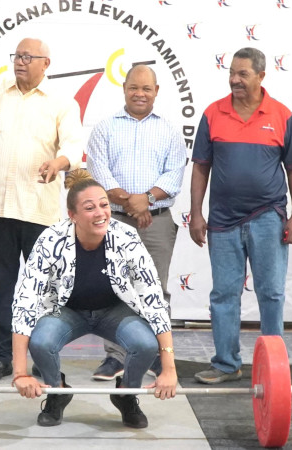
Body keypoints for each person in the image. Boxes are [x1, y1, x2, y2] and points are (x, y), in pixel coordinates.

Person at [11, 169, 177, 428]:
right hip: (67, 311)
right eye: (89, 208)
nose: (100, 213)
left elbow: (153, 299)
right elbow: (25, 303)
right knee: (41, 342)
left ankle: (126, 395)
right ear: (72, 216)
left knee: (145, 344)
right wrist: (20, 373)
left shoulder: (126, 238)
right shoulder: (50, 240)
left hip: (114, 310)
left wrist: (169, 369)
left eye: (103, 205)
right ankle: (58, 392)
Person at [0, 38, 84, 383]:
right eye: (17, 56)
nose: (20, 62)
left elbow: (74, 145)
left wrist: (59, 162)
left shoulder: (61, 102)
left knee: (44, 291)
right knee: (0, 288)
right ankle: (1, 357)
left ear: (46, 63)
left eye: (28, 57)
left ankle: (41, 357)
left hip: (40, 214)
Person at [189, 47, 292, 384]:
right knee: (224, 294)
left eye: (243, 74)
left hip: (268, 217)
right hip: (222, 221)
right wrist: (196, 214)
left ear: (261, 76)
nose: (234, 80)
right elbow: (200, 168)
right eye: (232, 73)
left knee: (271, 293)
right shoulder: (213, 114)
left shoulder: (282, 116)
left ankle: (274, 368)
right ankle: (227, 364)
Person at [86, 64, 186, 381]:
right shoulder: (104, 128)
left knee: (155, 291)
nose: (139, 93)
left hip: (156, 222)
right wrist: (133, 202)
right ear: (124, 89)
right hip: (113, 221)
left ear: (156, 91)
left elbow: (174, 176)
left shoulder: (169, 131)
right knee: (114, 290)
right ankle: (115, 358)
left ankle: (158, 358)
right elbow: (100, 174)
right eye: (134, 87)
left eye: (146, 88)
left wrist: (147, 199)